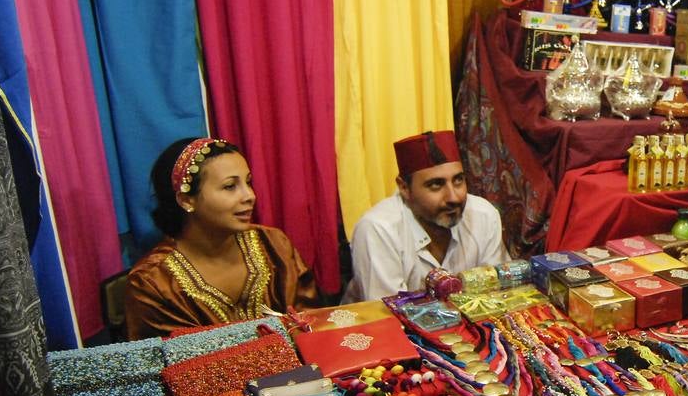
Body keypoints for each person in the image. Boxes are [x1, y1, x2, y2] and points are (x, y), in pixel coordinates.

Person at [126, 137, 320, 339]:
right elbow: (170, 359)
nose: (249, 196)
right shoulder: (153, 282)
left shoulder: (273, 244)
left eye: (248, 182)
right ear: (186, 200)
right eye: (230, 186)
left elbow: (310, 322)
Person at [347, 130, 509, 299]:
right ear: (404, 188)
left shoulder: (483, 215)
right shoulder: (378, 229)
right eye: (436, 185)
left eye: (458, 180)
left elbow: (498, 292)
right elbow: (387, 315)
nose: (453, 197)